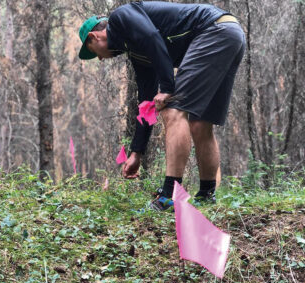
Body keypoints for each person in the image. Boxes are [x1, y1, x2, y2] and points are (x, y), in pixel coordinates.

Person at [78, 1, 245, 211]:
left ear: (94, 37)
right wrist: (136, 152)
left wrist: (167, 87)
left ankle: (168, 196)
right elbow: (146, 104)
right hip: (230, 33)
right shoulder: (137, 51)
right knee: (200, 122)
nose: (100, 59)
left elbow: (152, 37)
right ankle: (206, 196)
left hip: (212, 31)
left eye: (95, 52)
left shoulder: (121, 18)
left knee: (173, 111)